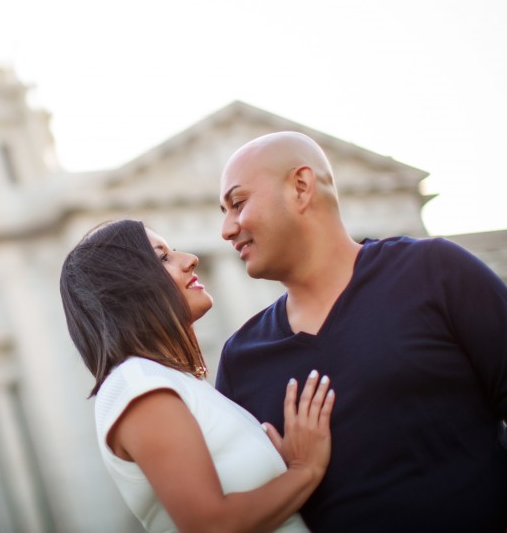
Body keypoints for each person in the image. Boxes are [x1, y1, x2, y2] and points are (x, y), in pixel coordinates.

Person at [215, 131, 507, 532]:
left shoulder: (435, 271)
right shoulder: (241, 359)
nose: (226, 229)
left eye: (238, 204)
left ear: (301, 187)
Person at [60, 218, 335, 533]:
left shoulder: (173, 381)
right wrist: (305, 470)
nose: (190, 259)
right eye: (163, 258)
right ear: (125, 289)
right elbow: (210, 525)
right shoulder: (139, 384)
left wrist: (282, 469)